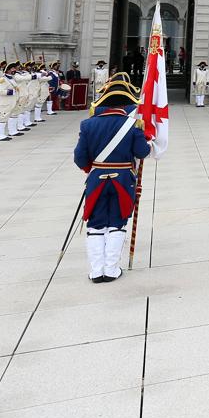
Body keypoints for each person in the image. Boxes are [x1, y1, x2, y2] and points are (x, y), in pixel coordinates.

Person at [73, 80, 152, 283]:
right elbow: (142, 152)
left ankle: (96, 271)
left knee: (96, 224)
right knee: (117, 222)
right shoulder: (133, 125)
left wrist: (94, 170)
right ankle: (111, 269)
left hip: (96, 178)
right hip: (123, 179)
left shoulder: (88, 124)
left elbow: (79, 157)